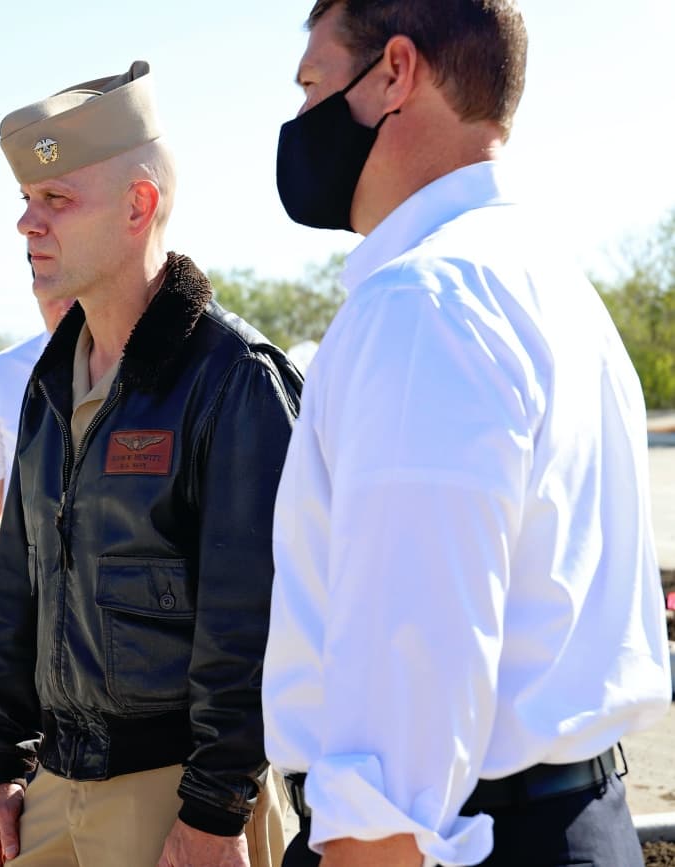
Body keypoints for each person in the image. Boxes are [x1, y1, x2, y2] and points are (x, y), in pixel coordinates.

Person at [261, 3, 673, 866]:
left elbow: (410, 687)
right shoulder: (548, 283)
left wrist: (366, 843)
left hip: (450, 841)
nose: (300, 120)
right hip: (569, 819)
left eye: (311, 84)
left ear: (395, 72)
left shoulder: (425, 304)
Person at [0, 62, 301, 867]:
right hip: (51, 787)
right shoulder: (51, 379)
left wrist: (216, 809)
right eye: (25, 199)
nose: (27, 223)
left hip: (178, 800)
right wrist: (2, 759)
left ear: (138, 205)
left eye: (56, 199)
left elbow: (254, 621)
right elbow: (18, 582)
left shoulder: (232, 380)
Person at [0, 287, 72, 629]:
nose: (67, 301)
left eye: (76, 282)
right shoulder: (3, 374)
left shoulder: (163, 368)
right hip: (34, 627)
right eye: (51, 283)